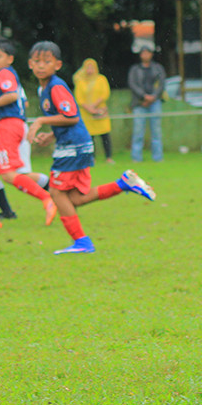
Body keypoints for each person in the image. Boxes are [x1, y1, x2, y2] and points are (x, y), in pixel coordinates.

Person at [26, 41, 157, 254]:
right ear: (30, 63)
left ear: (57, 65)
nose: (41, 65)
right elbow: (68, 120)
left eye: (47, 61)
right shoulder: (44, 89)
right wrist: (51, 135)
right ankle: (123, 183)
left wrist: (40, 121)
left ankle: (82, 242)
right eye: (37, 61)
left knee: (56, 192)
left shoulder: (56, 86)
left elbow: (71, 116)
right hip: (74, 144)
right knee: (74, 199)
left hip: (73, 147)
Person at [0, 36, 57, 229]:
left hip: (8, 127)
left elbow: (12, 95)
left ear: (9, 59)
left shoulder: (4, 73)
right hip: (3, 125)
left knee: (8, 174)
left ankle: (47, 198)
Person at [128, 42, 165, 162]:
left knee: (156, 131)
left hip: (155, 102)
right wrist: (144, 97)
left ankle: (158, 158)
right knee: (138, 132)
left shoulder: (158, 68)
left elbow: (162, 84)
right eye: (143, 52)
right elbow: (132, 84)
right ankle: (136, 158)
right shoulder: (135, 69)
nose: (145, 55)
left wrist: (153, 96)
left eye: (147, 52)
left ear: (151, 54)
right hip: (139, 103)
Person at [74, 58, 114, 163]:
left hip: (100, 111)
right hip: (86, 113)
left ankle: (108, 157)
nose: (90, 69)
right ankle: (92, 158)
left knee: (105, 135)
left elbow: (105, 93)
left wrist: (94, 106)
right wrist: (89, 108)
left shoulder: (101, 79)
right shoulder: (81, 81)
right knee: (89, 137)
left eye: (92, 67)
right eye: (88, 67)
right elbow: (79, 98)